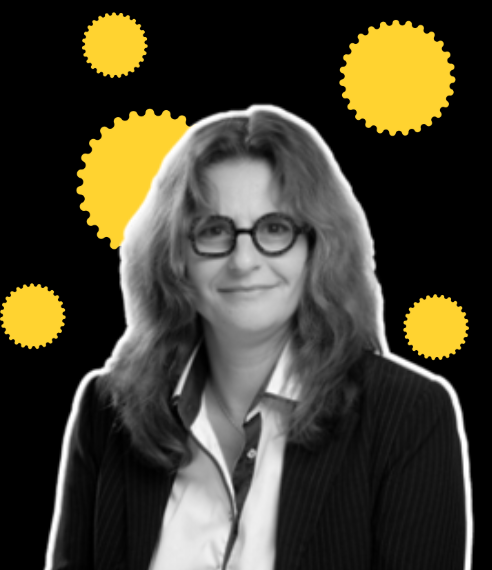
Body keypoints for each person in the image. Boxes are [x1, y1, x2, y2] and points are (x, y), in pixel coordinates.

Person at [45, 105, 468, 570]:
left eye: (275, 228)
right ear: (175, 255)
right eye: (213, 230)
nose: (244, 261)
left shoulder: (407, 416)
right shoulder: (108, 412)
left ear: (317, 247)